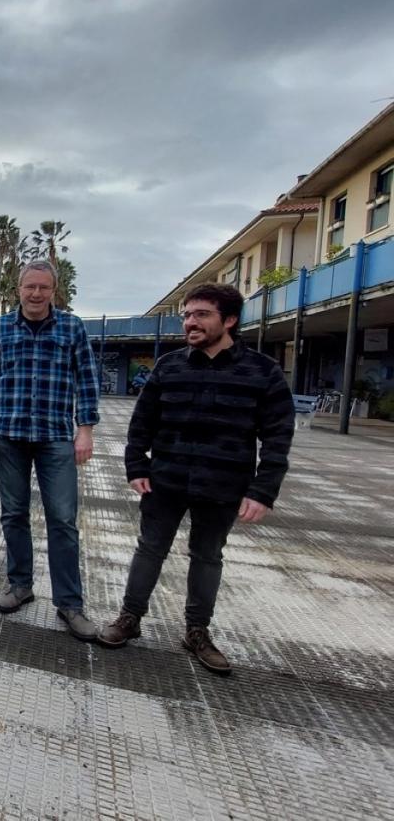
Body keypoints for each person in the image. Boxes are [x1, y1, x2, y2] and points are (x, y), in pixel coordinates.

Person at [98, 283, 294, 675]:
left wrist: (263, 490)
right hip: (165, 481)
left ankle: (197, 632)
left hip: (223, 485)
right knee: (149, 550)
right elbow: (142, 423)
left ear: (230, 320)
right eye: (187, 314)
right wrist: (136, 466)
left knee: (207, 557)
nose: (191, 321)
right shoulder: (169, 366)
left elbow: (278, 435)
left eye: (202, 314)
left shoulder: (262, 372)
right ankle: (130, 618)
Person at [0, 260, 101, 641]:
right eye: (30, 286)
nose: (36, 293)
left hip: (55, 437)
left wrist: (86, 431)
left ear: (54, 291)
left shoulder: (72, 327)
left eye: (44, 287)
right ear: (19, 288)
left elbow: (87, 381)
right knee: (13, 514)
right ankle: (20, 585)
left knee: (63, 519)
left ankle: (70, 604)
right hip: (8, 434)